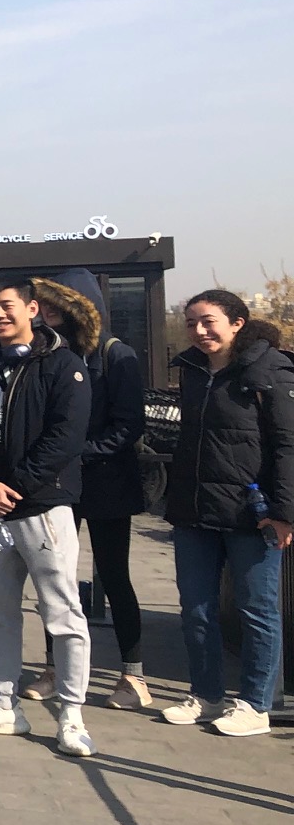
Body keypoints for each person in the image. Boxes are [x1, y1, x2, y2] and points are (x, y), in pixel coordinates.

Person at [0, 277, 95, 756]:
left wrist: (15, 488)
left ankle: (71, 714)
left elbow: (65, 438)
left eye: (7, 306)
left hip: (43, 508)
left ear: (32, 308)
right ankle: (2, 704)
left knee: (62, 611)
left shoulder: (62, 365)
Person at [158, 290, 294, 738]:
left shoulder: (268, 368)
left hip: (252, 514)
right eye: (192, 321)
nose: (199, 331)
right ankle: (205, 694)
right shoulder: (193, 370)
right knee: (196, 608)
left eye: (209, 321)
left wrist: (283, 512)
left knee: (257, 611)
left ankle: (255, 705)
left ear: (237, 322)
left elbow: (287, 445)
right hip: (194, 511)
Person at [30, 271, 150, 710]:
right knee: (55, 577)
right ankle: (53, 666)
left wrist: (81, 453)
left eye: (58, 307)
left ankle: (132, 675)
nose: (49, 315)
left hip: (108, 483)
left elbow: (129, 424)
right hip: (60, 483)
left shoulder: (118, 356)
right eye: (44, 307)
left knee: (115, 576)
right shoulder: (47, 353)